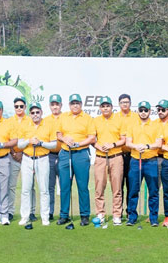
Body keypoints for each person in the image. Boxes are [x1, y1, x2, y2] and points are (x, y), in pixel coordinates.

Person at [55, 94, 96, 226]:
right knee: (65, 186)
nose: (75, 105)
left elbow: (92, 138)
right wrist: (65, 139)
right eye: (73, 103)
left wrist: (79, 143)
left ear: (81, 104)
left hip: (81, 153)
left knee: (82, 186)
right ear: (69, 105)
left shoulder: (88, 118)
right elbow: (58, 134)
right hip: (65, 153)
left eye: (77, 103)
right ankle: (64, 215)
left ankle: (84, 215)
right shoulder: (63, 117)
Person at [16, 102, 57, 226]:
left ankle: (45, 217)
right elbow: (19, 145)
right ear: (30, 114)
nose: (35, 115)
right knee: (26, 189)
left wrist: (41, 143)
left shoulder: (49, 125)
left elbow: (54, 144)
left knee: (44, 189)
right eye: (32, 113)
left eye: (37, 112)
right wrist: (29, 141)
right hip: (27, 158)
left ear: (41, 113)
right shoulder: (24, 126)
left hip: (43, 158)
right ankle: (25, 216)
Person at [125, 101, 163, 226]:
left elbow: (158, 144)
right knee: (133, 190)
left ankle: (153, 218)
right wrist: (136, 146)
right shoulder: (132, 125)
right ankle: (132, 216)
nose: (143, 113)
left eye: (145, 110)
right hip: (136, 160)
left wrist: (146, 146)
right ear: (137, 111)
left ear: (149, 111)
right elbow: (128, 143)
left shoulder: (156, 125)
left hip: (151, 161)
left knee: (153, 191)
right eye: (141, 110)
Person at [92, 96, 125, 226]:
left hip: (116, 156)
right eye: (103, 106)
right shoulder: (95, 121)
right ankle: (100, 214)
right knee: (99, 187)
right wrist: (100, 147)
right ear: (100, 108)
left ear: (112, 107)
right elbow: (92, 139)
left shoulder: (118, 120)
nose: (105, 108)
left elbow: (123, 139)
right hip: (100, 157)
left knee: (116, 188)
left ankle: (117, 215)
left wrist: (113, 144)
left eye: (108, 106)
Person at [8, 97, 28, 221]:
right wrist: (14, 153)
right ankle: (10, 211)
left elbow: (32, 138)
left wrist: (22, 153)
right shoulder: (9, 121)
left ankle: (30, 212)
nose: (19, 108)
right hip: (12, 155)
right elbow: (6, 139)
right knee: (11, 185)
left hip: (27, 156)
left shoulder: (30, 120)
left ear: (25, 107)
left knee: (29, 186)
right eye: (16, 106)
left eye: (21, 106)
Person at [44, 94, 63, 220]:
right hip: (49, 155)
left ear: (61, 105)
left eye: (57, 104)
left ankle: (64, 212)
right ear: (50, 106)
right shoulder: (45, 120)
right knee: (49, 186)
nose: (55, 106)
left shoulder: (66, 118)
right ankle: (50, 212)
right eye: (53, 104)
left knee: (64, 185)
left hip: (64, 154)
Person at [117, 93, 134, 214]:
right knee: (118, 184)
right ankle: (118, 211)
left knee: (131, 184)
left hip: (131, 155)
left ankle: (130, 211)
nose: (125, 104)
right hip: (118, 154)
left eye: (127, 102)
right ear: (119, 104)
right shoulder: (114, 117)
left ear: (130, 103)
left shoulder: (136, 117)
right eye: (123, 102)